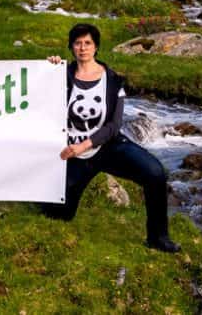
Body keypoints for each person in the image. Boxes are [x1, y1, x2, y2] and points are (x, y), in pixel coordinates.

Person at [44, 23, 181, 252]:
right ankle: (39, 196)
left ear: (96, 46)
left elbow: (114, 125)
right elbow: (38, 95)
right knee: (60, 214)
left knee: (155, 173)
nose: (83, 48)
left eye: (88, 43)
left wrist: (83, 145)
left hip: (107, 146)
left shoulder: (113, 80)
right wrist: (47, 68)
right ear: (71, 47)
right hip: (72, 154)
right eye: (77, 43)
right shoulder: (61, 75)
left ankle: (158, 237)